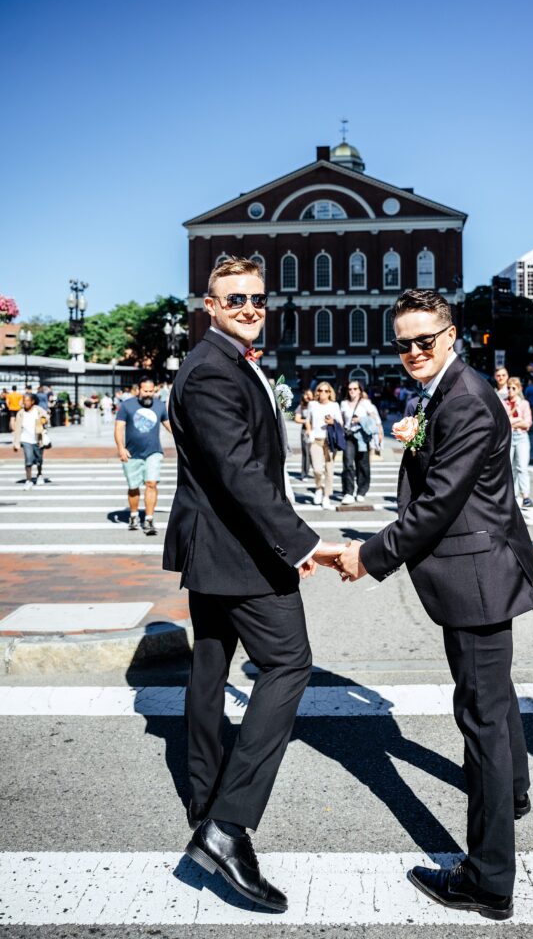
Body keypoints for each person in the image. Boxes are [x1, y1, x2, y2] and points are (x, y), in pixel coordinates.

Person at [332, 288, 533, 922]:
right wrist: (416, 440)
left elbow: (437, 508)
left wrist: (367, 556)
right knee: (494, 697)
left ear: (451, 335)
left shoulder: (468, 399)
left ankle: (487, 880)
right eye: (404, 343)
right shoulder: (453, 390)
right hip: (478, 569)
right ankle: (514, 794)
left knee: (479, 716)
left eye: (426, 339)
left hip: (474, 574)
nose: (414, 352)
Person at [162, 256, 340, 911]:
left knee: (209, 670)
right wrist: (302, 542)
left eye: (257, 299)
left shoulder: (226, 362)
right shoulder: (211, 369)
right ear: (208, 304)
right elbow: (239, 473)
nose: (247, 307)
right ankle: (227, 826)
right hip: (238, 550)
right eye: (233, 298)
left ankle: (205, 803)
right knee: (289, 665)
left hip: (216, 546)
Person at [114, 376, 172, 536]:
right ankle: (134, 515)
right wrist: (121, 448)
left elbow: (170, 426)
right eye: (145, 391)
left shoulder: (160, 406)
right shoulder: (127, 406)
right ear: (138, 390)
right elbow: (119, 428)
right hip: (132, 454)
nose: (148, 394)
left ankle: (149, 519)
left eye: (151, 391)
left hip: (153, 452)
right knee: (133, 487)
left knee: (151, 483)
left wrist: (186, 439)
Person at [339, 380, 380, 504]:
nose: (352, 391)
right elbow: (341, 420)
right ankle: (348, 492)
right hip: (349, 436)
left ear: (360, 390)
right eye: (350, 389)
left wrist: (361, 419)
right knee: (348, 464)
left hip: (362, 436)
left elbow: (374, 418)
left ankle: (362, 491)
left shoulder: (365, 403)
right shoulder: (344, 403)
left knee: (363, 464)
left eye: (355, 389)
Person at [305, 381, 342, 510]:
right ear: (317, 392)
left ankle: (326, 496)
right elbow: (307, 421)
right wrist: (309, 432)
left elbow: (340, 423)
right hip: (316, 440)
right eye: (320, 390)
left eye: (326, 391)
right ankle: (318, 488)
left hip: (330, 441)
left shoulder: (334, 405)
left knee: (329, 470)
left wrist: (332, 421)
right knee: (316, 469)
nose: (323, 393)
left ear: (330, 393)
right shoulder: (312, 404)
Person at [504, 378, 533, 508]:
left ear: (519, 389)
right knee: (509, 467)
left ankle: (525, 496)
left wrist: (512, 420)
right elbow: (503, 421)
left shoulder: (524, 404)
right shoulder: (504, 403)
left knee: (522, 467)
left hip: (521, 437)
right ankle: (511, 495)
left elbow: (527, 423)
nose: (510, 391)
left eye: (513, 388)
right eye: (509, 388)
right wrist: (517, 418)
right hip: (509, 436)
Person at [12, 392, 49, 490]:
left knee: (39, 460)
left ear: (32, 402)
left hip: (38, 439)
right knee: (28, 460)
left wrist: (43, 420)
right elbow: (18, 429)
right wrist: (16, 443)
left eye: (27, 400)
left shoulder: (38, 410)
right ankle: (28, 480)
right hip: (26, 440)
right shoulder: (20, 413)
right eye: (24, 400)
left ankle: (39, 474)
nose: (25, 402)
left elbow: (47, 417)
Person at [294, 388, 314, 481]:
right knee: (306, 453)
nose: (308, 397)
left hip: (316, 431)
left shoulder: (316, 405)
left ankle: (316, 471)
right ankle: (304, 473)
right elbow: (297, 419)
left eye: (309, 395)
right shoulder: (301, 406)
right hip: (305, 431)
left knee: (315, 453)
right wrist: (306, 421)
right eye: (306, 395)